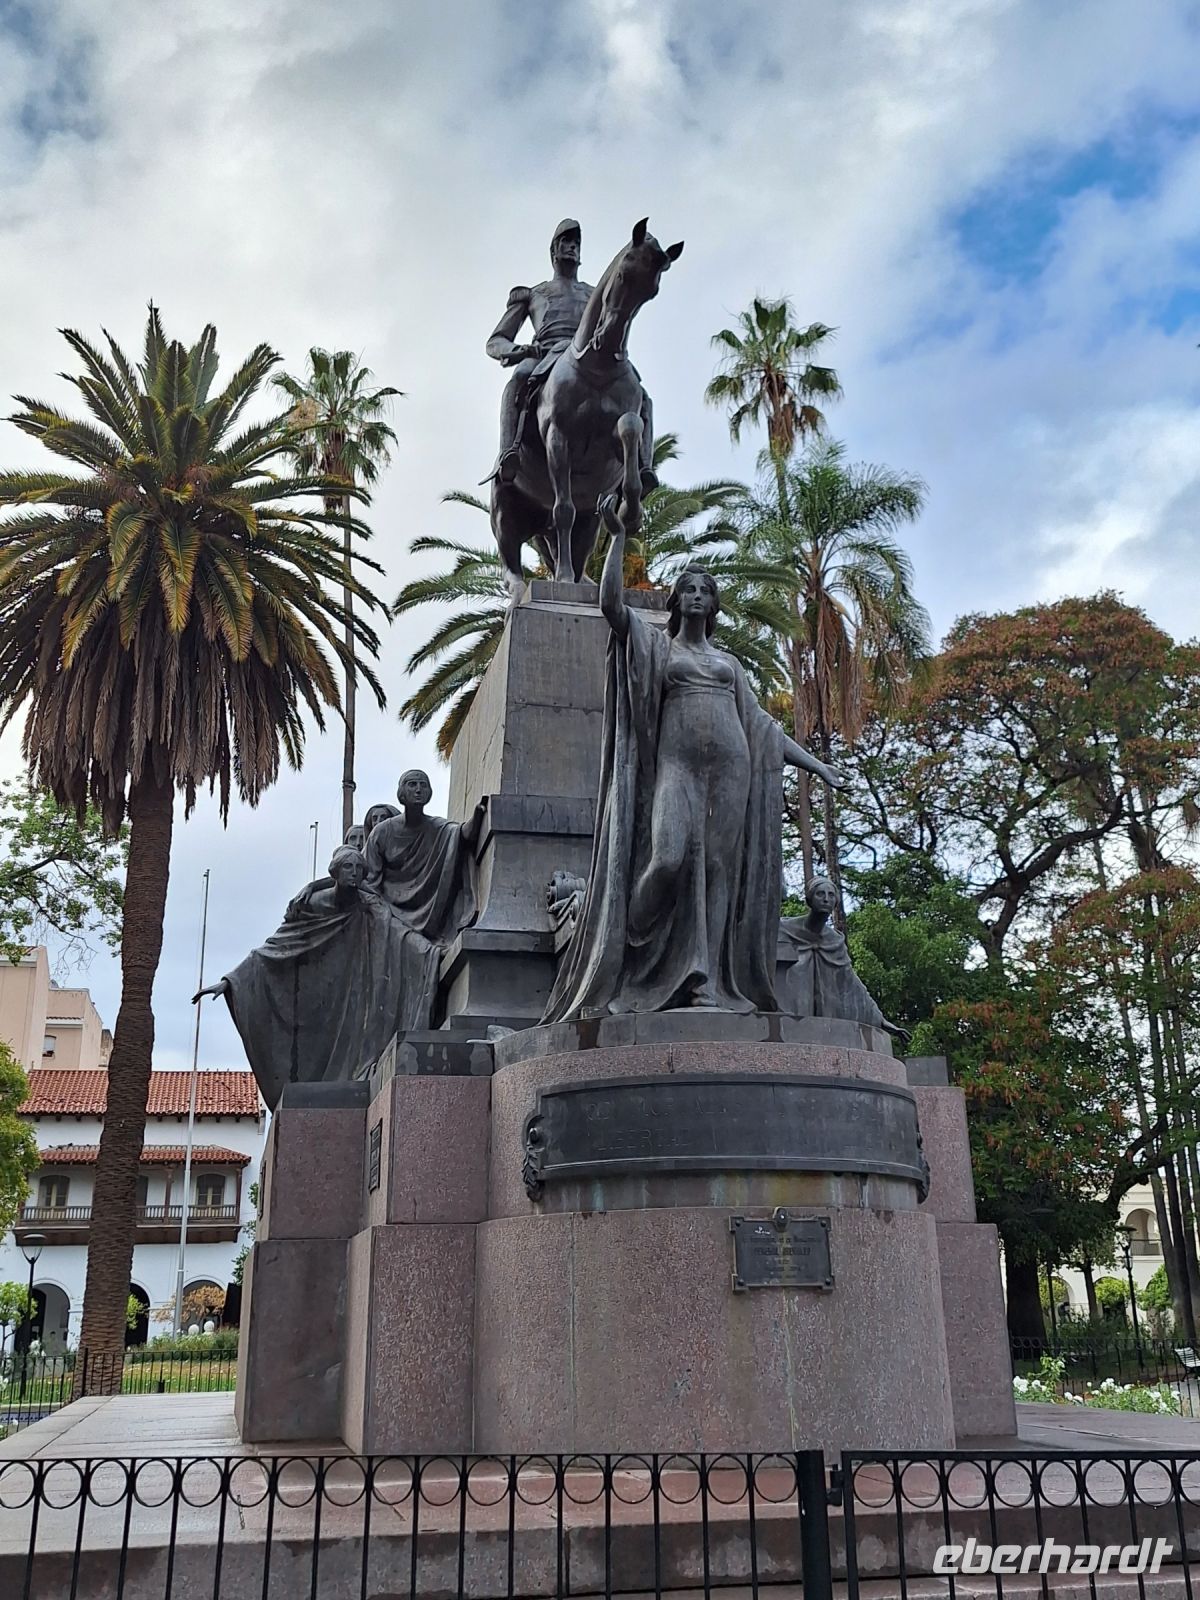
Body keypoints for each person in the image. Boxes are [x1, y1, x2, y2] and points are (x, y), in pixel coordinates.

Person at [543, 525, 844, 1018]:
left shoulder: (729, 664)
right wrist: (616, 536)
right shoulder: (660, 648)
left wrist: (820, 769)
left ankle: (708, 980)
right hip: (677, 767)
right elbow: (612, 607)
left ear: (714, 603)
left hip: (732, 768)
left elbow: (763, 730)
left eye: (706, 590)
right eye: (689, 590)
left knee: (719, 870)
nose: (698, 596)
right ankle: (632, 946)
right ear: (676, 601)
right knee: (667, 858)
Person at [193, 845, 440, 1110]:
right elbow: (278, 944)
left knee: (349, 1046)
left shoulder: (368, 905)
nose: (354, 873)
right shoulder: (313, 903)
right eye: (348, 867)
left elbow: (396, 930)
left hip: (354, 986)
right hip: (316, 988)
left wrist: (430, 953)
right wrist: (231, 980)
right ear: (335, 872)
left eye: (359, 868)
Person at [486, 218, 657, 491]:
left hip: (589, 352)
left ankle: (642, 465)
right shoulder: (533, 294)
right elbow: (496, 341)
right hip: (546, 354)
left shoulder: (594, 293)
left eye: (576, 243)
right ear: (553, 251)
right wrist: (520, 351)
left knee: (641, 395)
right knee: (518, 378)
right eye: (565, 242)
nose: (571, 247)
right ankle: (509, 452)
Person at [363, 769, 485, 939]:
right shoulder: (381, 832)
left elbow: (463, 834)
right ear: (401, 793)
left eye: (423, 785)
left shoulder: (439, 827)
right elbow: (368, 880)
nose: (418, 789)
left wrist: (479, 813)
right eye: (412, 784)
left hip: (430, 911)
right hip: (388, 908)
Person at [778, 875, 903, 1036]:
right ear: (809, 899)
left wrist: (880, 1020)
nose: (826, 899)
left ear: (836, 902)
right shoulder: (784, 929)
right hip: (788, 1013)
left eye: (831, 895)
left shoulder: (834, 940)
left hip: (822, 1025)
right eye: (820, 894)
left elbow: (852, 984)